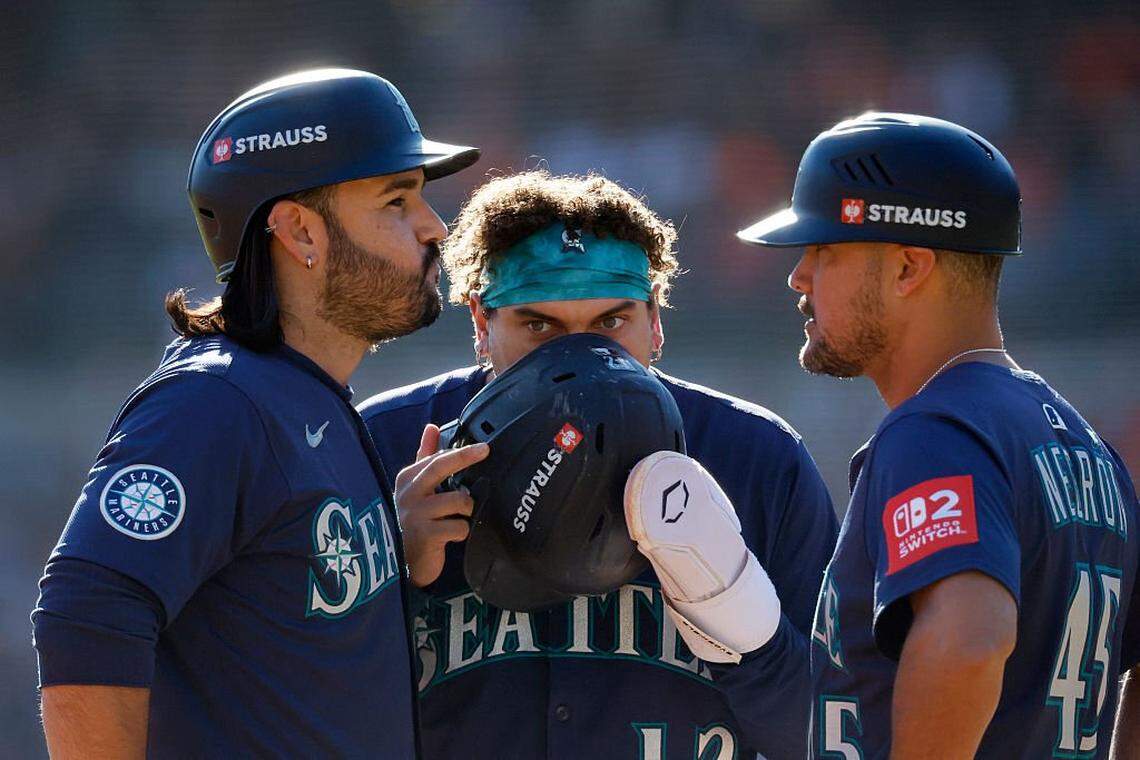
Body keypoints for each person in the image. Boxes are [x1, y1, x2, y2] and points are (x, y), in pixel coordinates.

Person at [31, 68, 481, 758]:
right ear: (300, 231)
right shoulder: (215, 402)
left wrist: (390, 548)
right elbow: (85, 615)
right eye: (397, 200)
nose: (433, 225)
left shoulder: (304, 396)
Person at [359, 170, 838, 759]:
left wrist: (741, 619)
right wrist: (389, 571)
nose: (581, 355)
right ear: (481, 322)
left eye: (612, 322)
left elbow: (830, 737)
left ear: (655, 318)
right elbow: (295, 699)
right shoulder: (386, 445)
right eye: (540, 326)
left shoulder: (755, 457)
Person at [727, 111, 1139, 758]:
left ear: (908, 268)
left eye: (825, 250)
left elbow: (969, 639)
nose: (798, 277)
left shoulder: (935, 432)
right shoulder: (1089, 450)